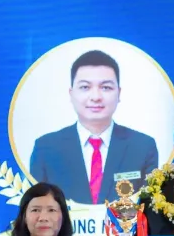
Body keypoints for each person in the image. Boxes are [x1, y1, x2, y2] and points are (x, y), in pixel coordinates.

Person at [29, 50, 160, 204]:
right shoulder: (46, 148)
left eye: (106, 87)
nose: (96, 97)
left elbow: (148, 208)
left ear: (119, 93)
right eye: (85, 87)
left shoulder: (143, 146)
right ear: (71, 94)